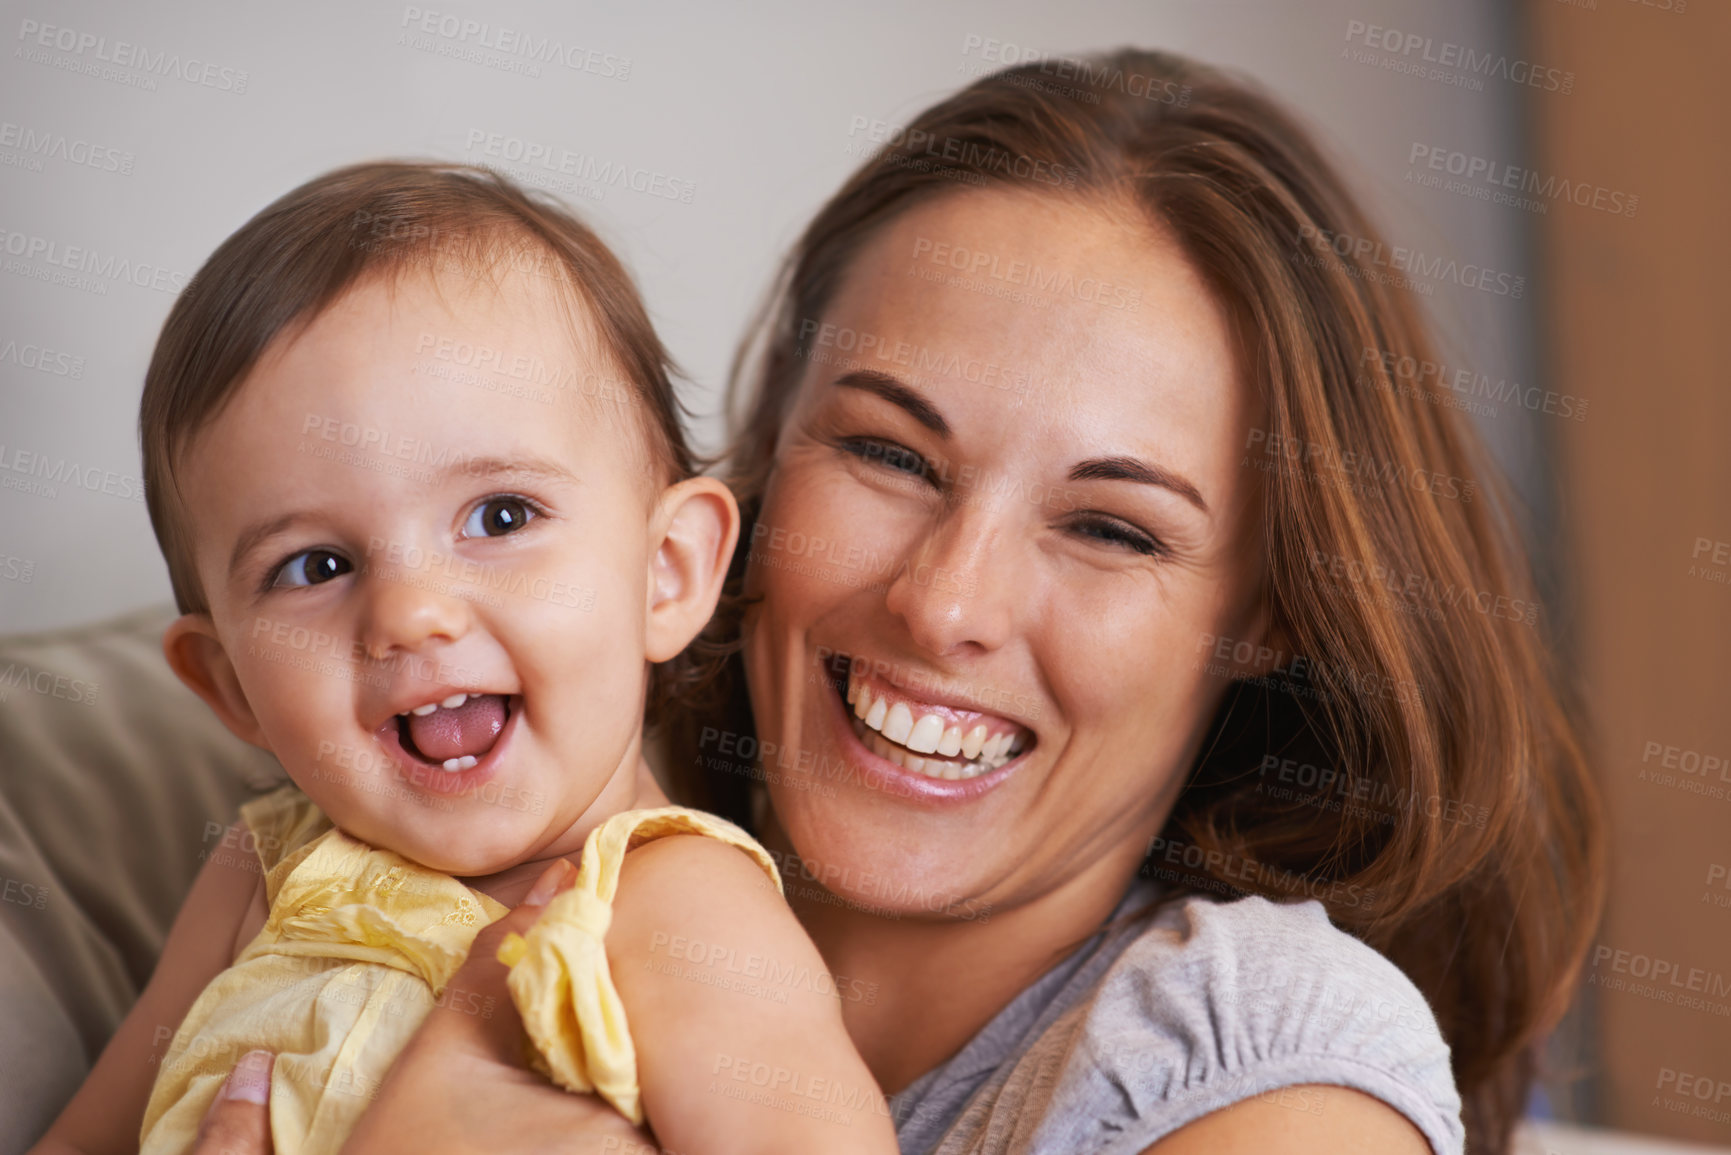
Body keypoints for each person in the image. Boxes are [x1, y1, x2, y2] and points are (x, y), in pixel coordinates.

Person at [125, 46, 1610, 1155]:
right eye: (890, 452)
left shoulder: (1269, 1062)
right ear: (758, 464)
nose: (943, 602)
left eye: (1109, 525)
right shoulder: (434, 824)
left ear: (1267, 606)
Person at [25, 163, 898, 1155]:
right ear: (233, 689)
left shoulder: (670, 906)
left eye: (499, 515)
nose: (411, 612)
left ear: (665, 571)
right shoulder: (261, 870)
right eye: (317, 564)